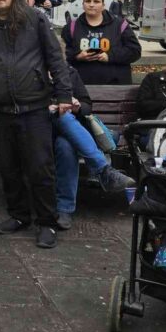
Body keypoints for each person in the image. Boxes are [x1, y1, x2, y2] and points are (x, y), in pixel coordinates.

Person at [0, 0, 72, 250]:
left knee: (41, 170)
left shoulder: (35, 19)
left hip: (34, 108)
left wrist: (63, 93)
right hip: (0, 112)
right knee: (9, 169)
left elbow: (55, 59)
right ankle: (19, 216)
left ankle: (47, 222)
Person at [52, 64, 135, 230]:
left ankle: (64, 210)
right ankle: (103, 169)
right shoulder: (33, 72)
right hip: (43, 130)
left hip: (69, 135)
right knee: (63, 117)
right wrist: (50, 107)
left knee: (65, 146)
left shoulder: (69, 72)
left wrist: (78, 107)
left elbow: (87, 105)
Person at [62, 0, 142, 85]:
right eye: (88, 1)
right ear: (83, 4)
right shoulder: (71, 27)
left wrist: (110, 56)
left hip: (115, 88)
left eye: (96, 1)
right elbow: (63, 54)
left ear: (103, 5)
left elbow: (135, 51)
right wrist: (78, 56)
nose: (91, 4)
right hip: (81, 88)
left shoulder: (120, 25)